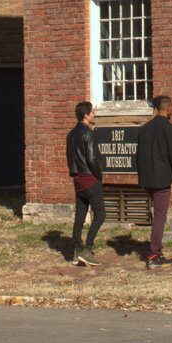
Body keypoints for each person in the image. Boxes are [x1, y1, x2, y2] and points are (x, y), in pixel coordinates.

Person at [135, 94, 172, 268]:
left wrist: (140, 176)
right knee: (160, 216)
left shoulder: (144, 128)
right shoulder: (170, 129)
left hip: (147, 178)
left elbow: (138, 155)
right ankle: (154, 254)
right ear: (168, 108)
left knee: (157, 214)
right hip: (161, 178)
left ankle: (156, 251)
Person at [65, 100, 104, 267]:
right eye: (92, 111)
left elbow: (69, 157)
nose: (94, 113)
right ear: (86, 115)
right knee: (100, 214)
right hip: (89, 179)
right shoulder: (88, 134)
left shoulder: (71, 134)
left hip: (77, 179)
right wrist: (99, 175)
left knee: (80, 216)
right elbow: (92, 158)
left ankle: (76, 250)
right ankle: (87, 249)